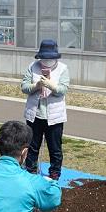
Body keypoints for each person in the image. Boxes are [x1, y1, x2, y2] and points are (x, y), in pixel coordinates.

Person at [21, 39, 70, 180]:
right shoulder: (33, 66)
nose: (46, 61)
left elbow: (63, 89)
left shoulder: (63, 69)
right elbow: (24, 87)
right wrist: (36, 85)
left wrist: (51, 85)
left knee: (55, 148)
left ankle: (54, 174)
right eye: (44, 58)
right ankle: (30, 171)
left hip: (54, 117)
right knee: (32, 146)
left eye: (50, 58)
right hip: (35, 115)